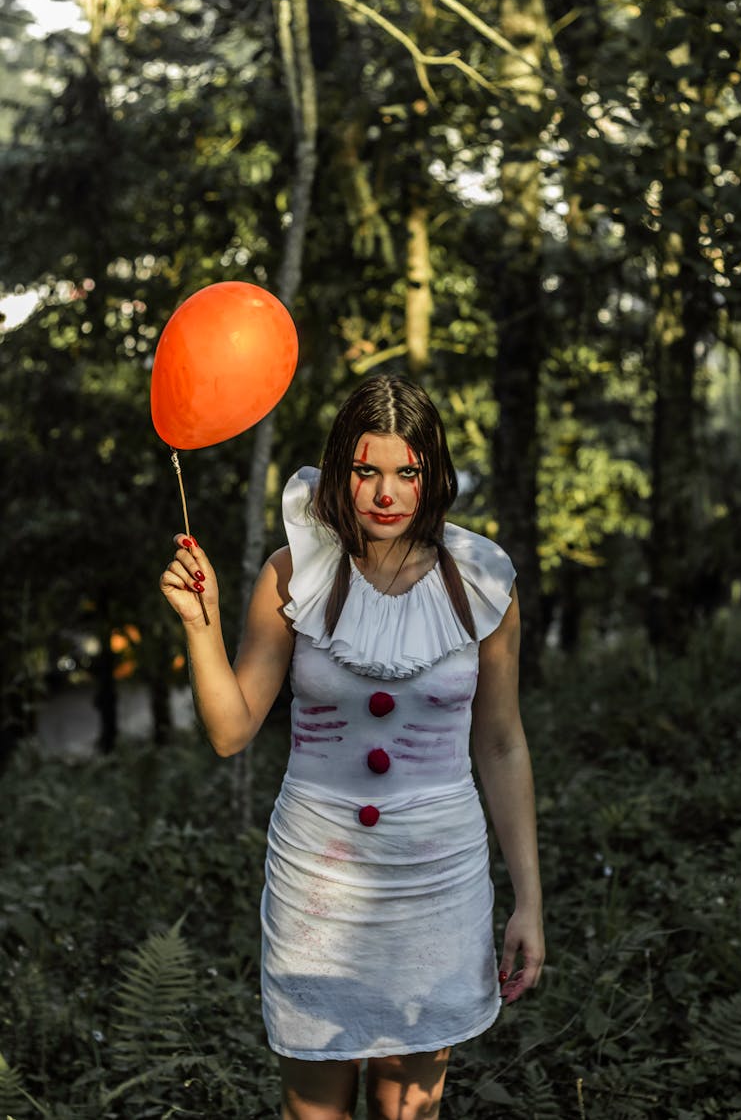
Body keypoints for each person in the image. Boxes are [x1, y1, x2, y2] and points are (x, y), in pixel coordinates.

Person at [160, 374, 544, 1120]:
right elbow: (231, 728)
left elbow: (500, 742)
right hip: (317, 885)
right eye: (367, 470)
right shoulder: (292, 572)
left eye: (408, 471)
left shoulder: (484, 581)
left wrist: (528, 898)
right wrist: (200, 627)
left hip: (439, 878)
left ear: (433, 473)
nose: (386, 493)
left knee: (411, 1112)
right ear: (341, 469)